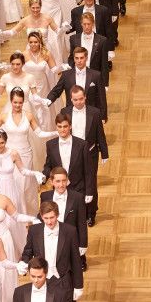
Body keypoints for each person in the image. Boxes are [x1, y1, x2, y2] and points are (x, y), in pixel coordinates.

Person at [18, 201, 83, 302]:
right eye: (45, 218)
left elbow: (76, 260)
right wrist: (24, 262)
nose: (49, 222)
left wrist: (79, 286)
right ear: (41, 217)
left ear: (57, 215)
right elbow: (28, 252)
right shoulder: (34, 231)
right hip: (42, 281)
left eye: (52, 217)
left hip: (64, 280)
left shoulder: (70, 231)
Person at [65, 85, 108, 227]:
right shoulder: (65, 112)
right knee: (74, 183)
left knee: (90, 183)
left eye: (81, 99)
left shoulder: (94, 112)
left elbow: (99, 133)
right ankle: (77, 212)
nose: (78, 102)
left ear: (85, 98)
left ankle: (91, 213)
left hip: (90, 153)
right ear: (71, 99)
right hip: (71, 154)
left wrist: (104, 153)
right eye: (75, 100)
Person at [39, 168, 88, 266]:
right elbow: (42, 216)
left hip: (70, 238)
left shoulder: (77, 197)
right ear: (52, 182)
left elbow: (82, 223)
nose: (61, 185)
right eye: (57, 181)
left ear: (67, 180)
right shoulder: (45, 196)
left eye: (63, 181)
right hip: (51, 236)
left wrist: (83, 244)